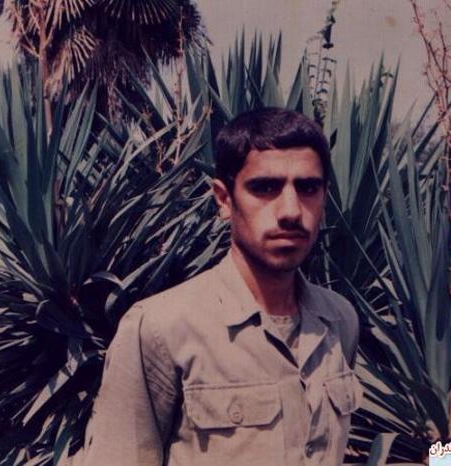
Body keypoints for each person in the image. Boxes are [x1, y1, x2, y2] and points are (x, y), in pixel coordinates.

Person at [78, 108, 362, 466]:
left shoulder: (339, 321)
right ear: (224, 199)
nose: (291, 210)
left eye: (307, 188)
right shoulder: (162, 328)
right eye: (265, 187)